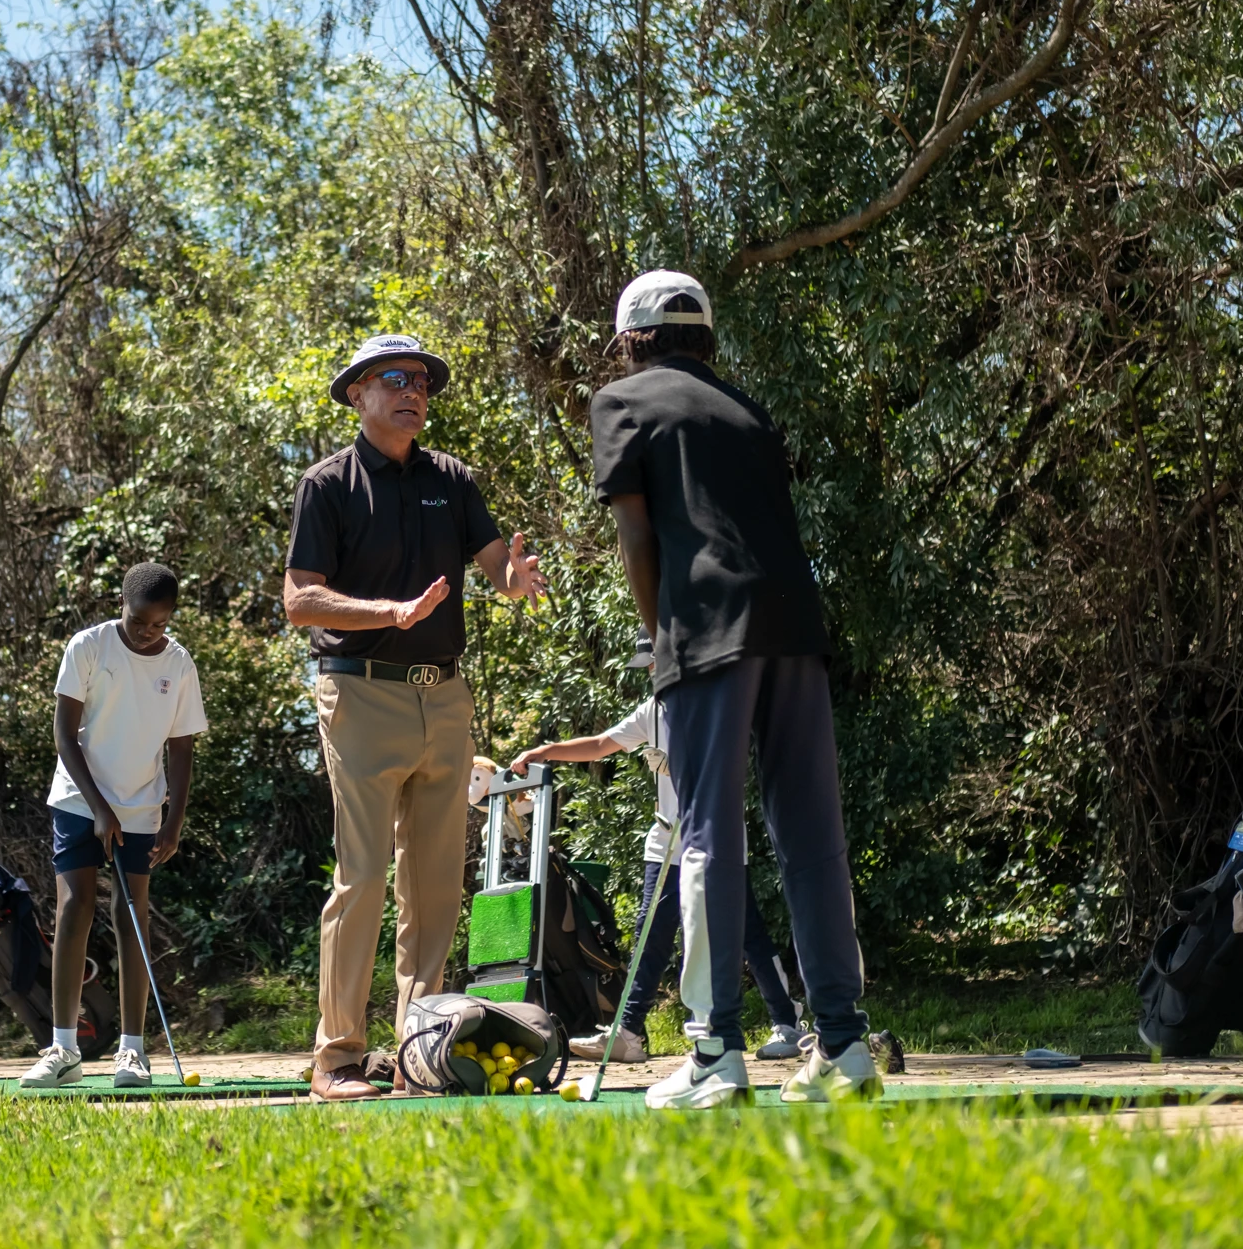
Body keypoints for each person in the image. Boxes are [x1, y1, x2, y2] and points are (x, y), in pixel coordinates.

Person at [590, 270, 878, 1109]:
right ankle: (845, 1044)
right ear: (705, 334)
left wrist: (659, 638)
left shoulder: (624, 401)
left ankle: (714, 1051)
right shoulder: (749, 410)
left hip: (709, 633)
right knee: (813, 837)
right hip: (795, 628)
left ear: (633, 337)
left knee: (708, 836)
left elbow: (639, 534)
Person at [284, 332, 547, 1101]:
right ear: (357, 394)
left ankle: (417, 1051)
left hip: (446, 694)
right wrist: (387, 613)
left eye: (424, 383)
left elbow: (494, 560)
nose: (415, 392)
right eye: (395, 379)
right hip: (359, 691)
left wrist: (512, 576)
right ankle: (336, 1057)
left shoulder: (453, 479)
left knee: (433, 887)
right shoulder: (326, 484)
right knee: (362, 877)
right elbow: (300, 599)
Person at [509, 629, 806, 1065]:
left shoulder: (713, 704)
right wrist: (546, 751)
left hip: (715, 837)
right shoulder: (653, 710)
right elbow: (599, 745)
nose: (650, 673)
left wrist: (684, 772)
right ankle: (628, 1032)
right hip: (664, 840)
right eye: (647, 667)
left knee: (747, 933)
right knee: (650, 933)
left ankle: (789, 1024)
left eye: (653, 664)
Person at [20, 561, 208, 1089]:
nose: (149, 631)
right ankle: (63, 1048)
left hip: (143, 806)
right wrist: (100, 807)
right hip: (80, 798)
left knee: (132, 914)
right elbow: (63, 733)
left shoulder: (179, 663)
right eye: (139, 620)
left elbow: (182, 746)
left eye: (160, 623)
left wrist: (174, 819)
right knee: (75, 906)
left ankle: (132, 1051)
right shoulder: (89, 647)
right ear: (121, 604)